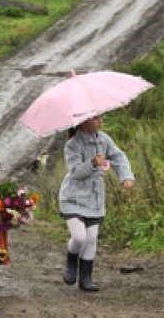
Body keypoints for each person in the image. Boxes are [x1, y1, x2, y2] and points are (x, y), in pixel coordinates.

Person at [59, 115, 135, 292]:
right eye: (96, 118)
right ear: (83, 121)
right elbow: (76, 172)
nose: (100, 121)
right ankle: (71, 261)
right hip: (73, 199)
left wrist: (126, 176)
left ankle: (86, 278)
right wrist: (92, 163)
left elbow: (118, 157)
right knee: (79, 237)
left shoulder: (104, 140)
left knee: (92, 238)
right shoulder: (72, 145)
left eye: (101, 118)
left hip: (94, 199)